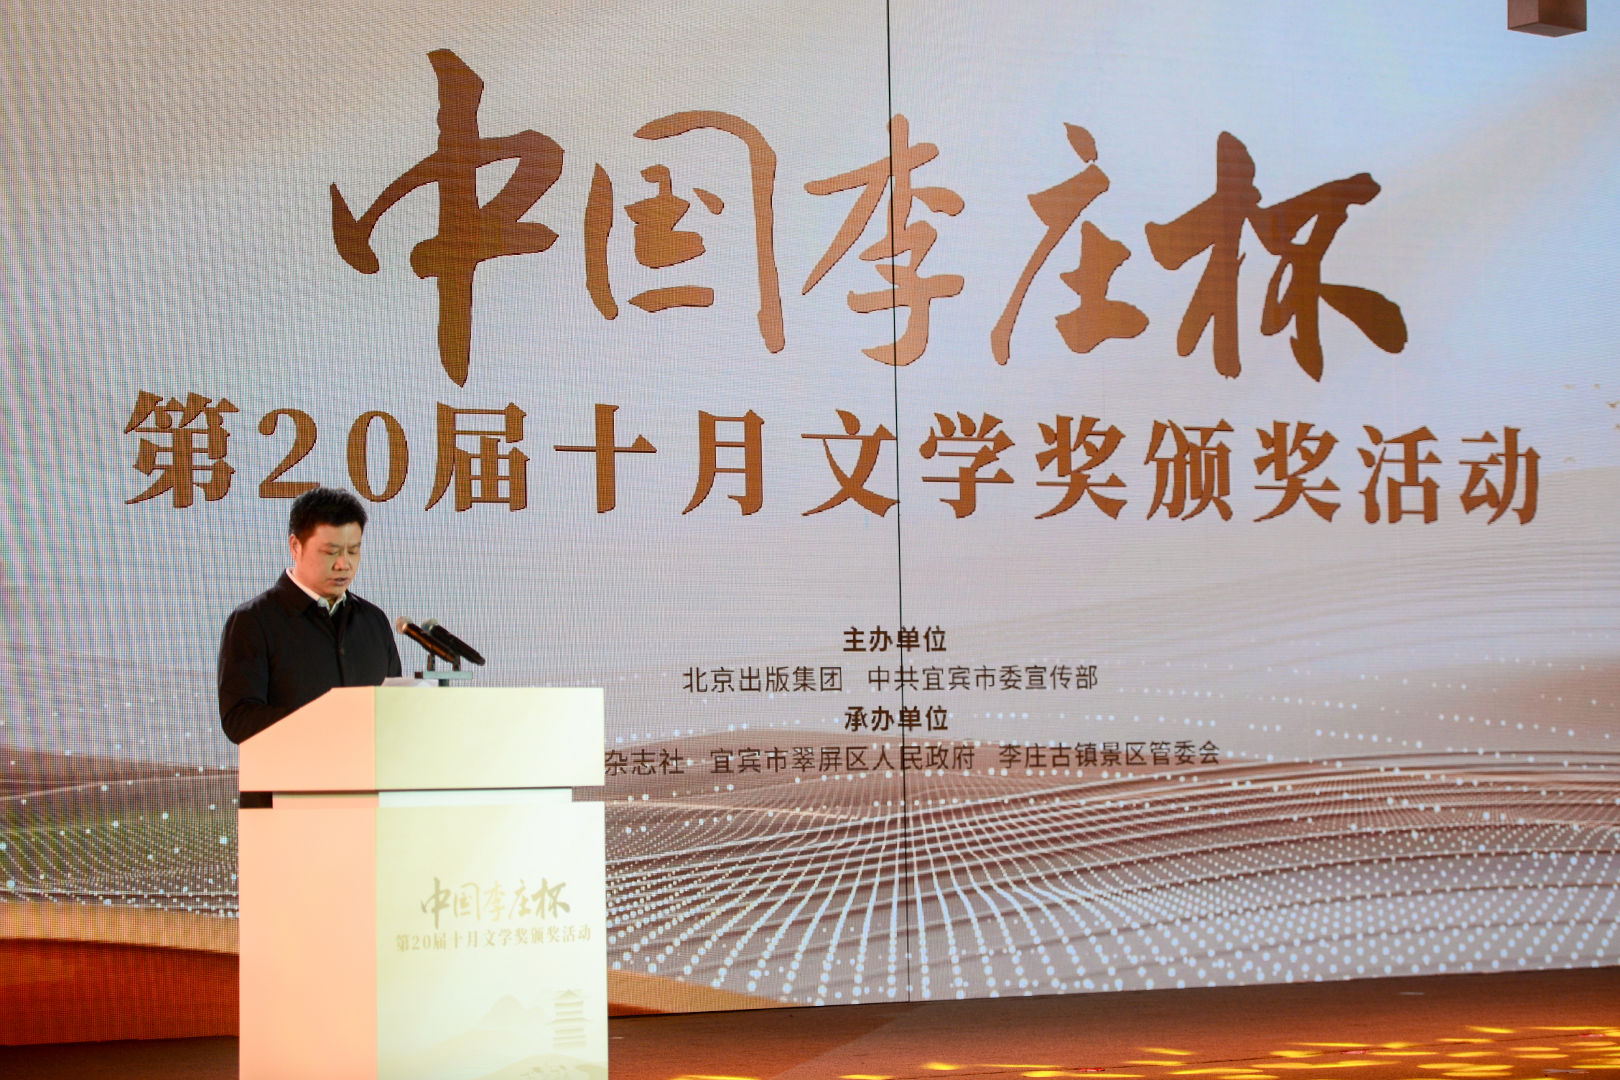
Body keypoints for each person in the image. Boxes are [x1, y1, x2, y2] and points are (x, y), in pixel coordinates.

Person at [218, 487, 401, 744]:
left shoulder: (373, 620)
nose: (343, 564)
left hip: (368, 770)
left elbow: (394, 709)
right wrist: (324, 725)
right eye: (330, 552)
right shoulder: (253, 621)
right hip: (289, 769)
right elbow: (239, 719)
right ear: (296, 546)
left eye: (353, 551)